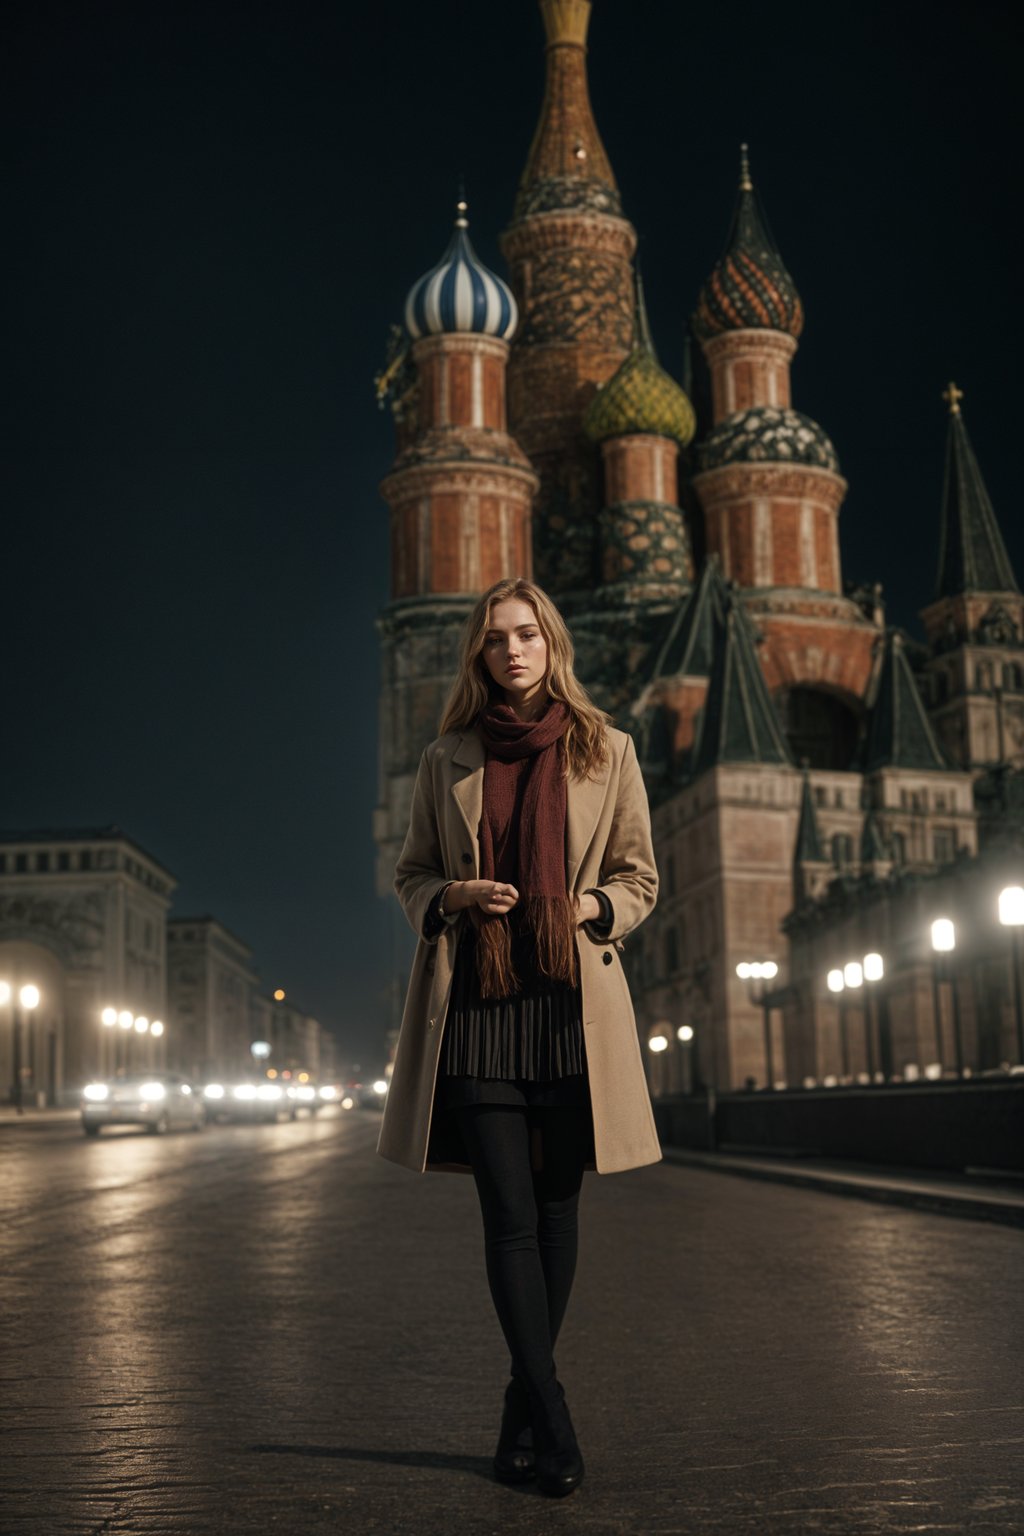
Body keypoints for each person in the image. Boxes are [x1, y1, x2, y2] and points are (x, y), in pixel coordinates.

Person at [377, 576, 661, 1498]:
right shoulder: (446, 757)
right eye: (497, 637)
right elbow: (412, 872)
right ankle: (555, 1415)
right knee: (507, 1221)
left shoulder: (604, 748)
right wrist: (453, 897)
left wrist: (586, 905)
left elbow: (640, 879)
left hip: (569, 1007)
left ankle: (520, 1411)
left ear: (552, 645)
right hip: (478, 1010)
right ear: (480, 653)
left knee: (556, 1214)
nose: (513, 650)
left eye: (528, 634)